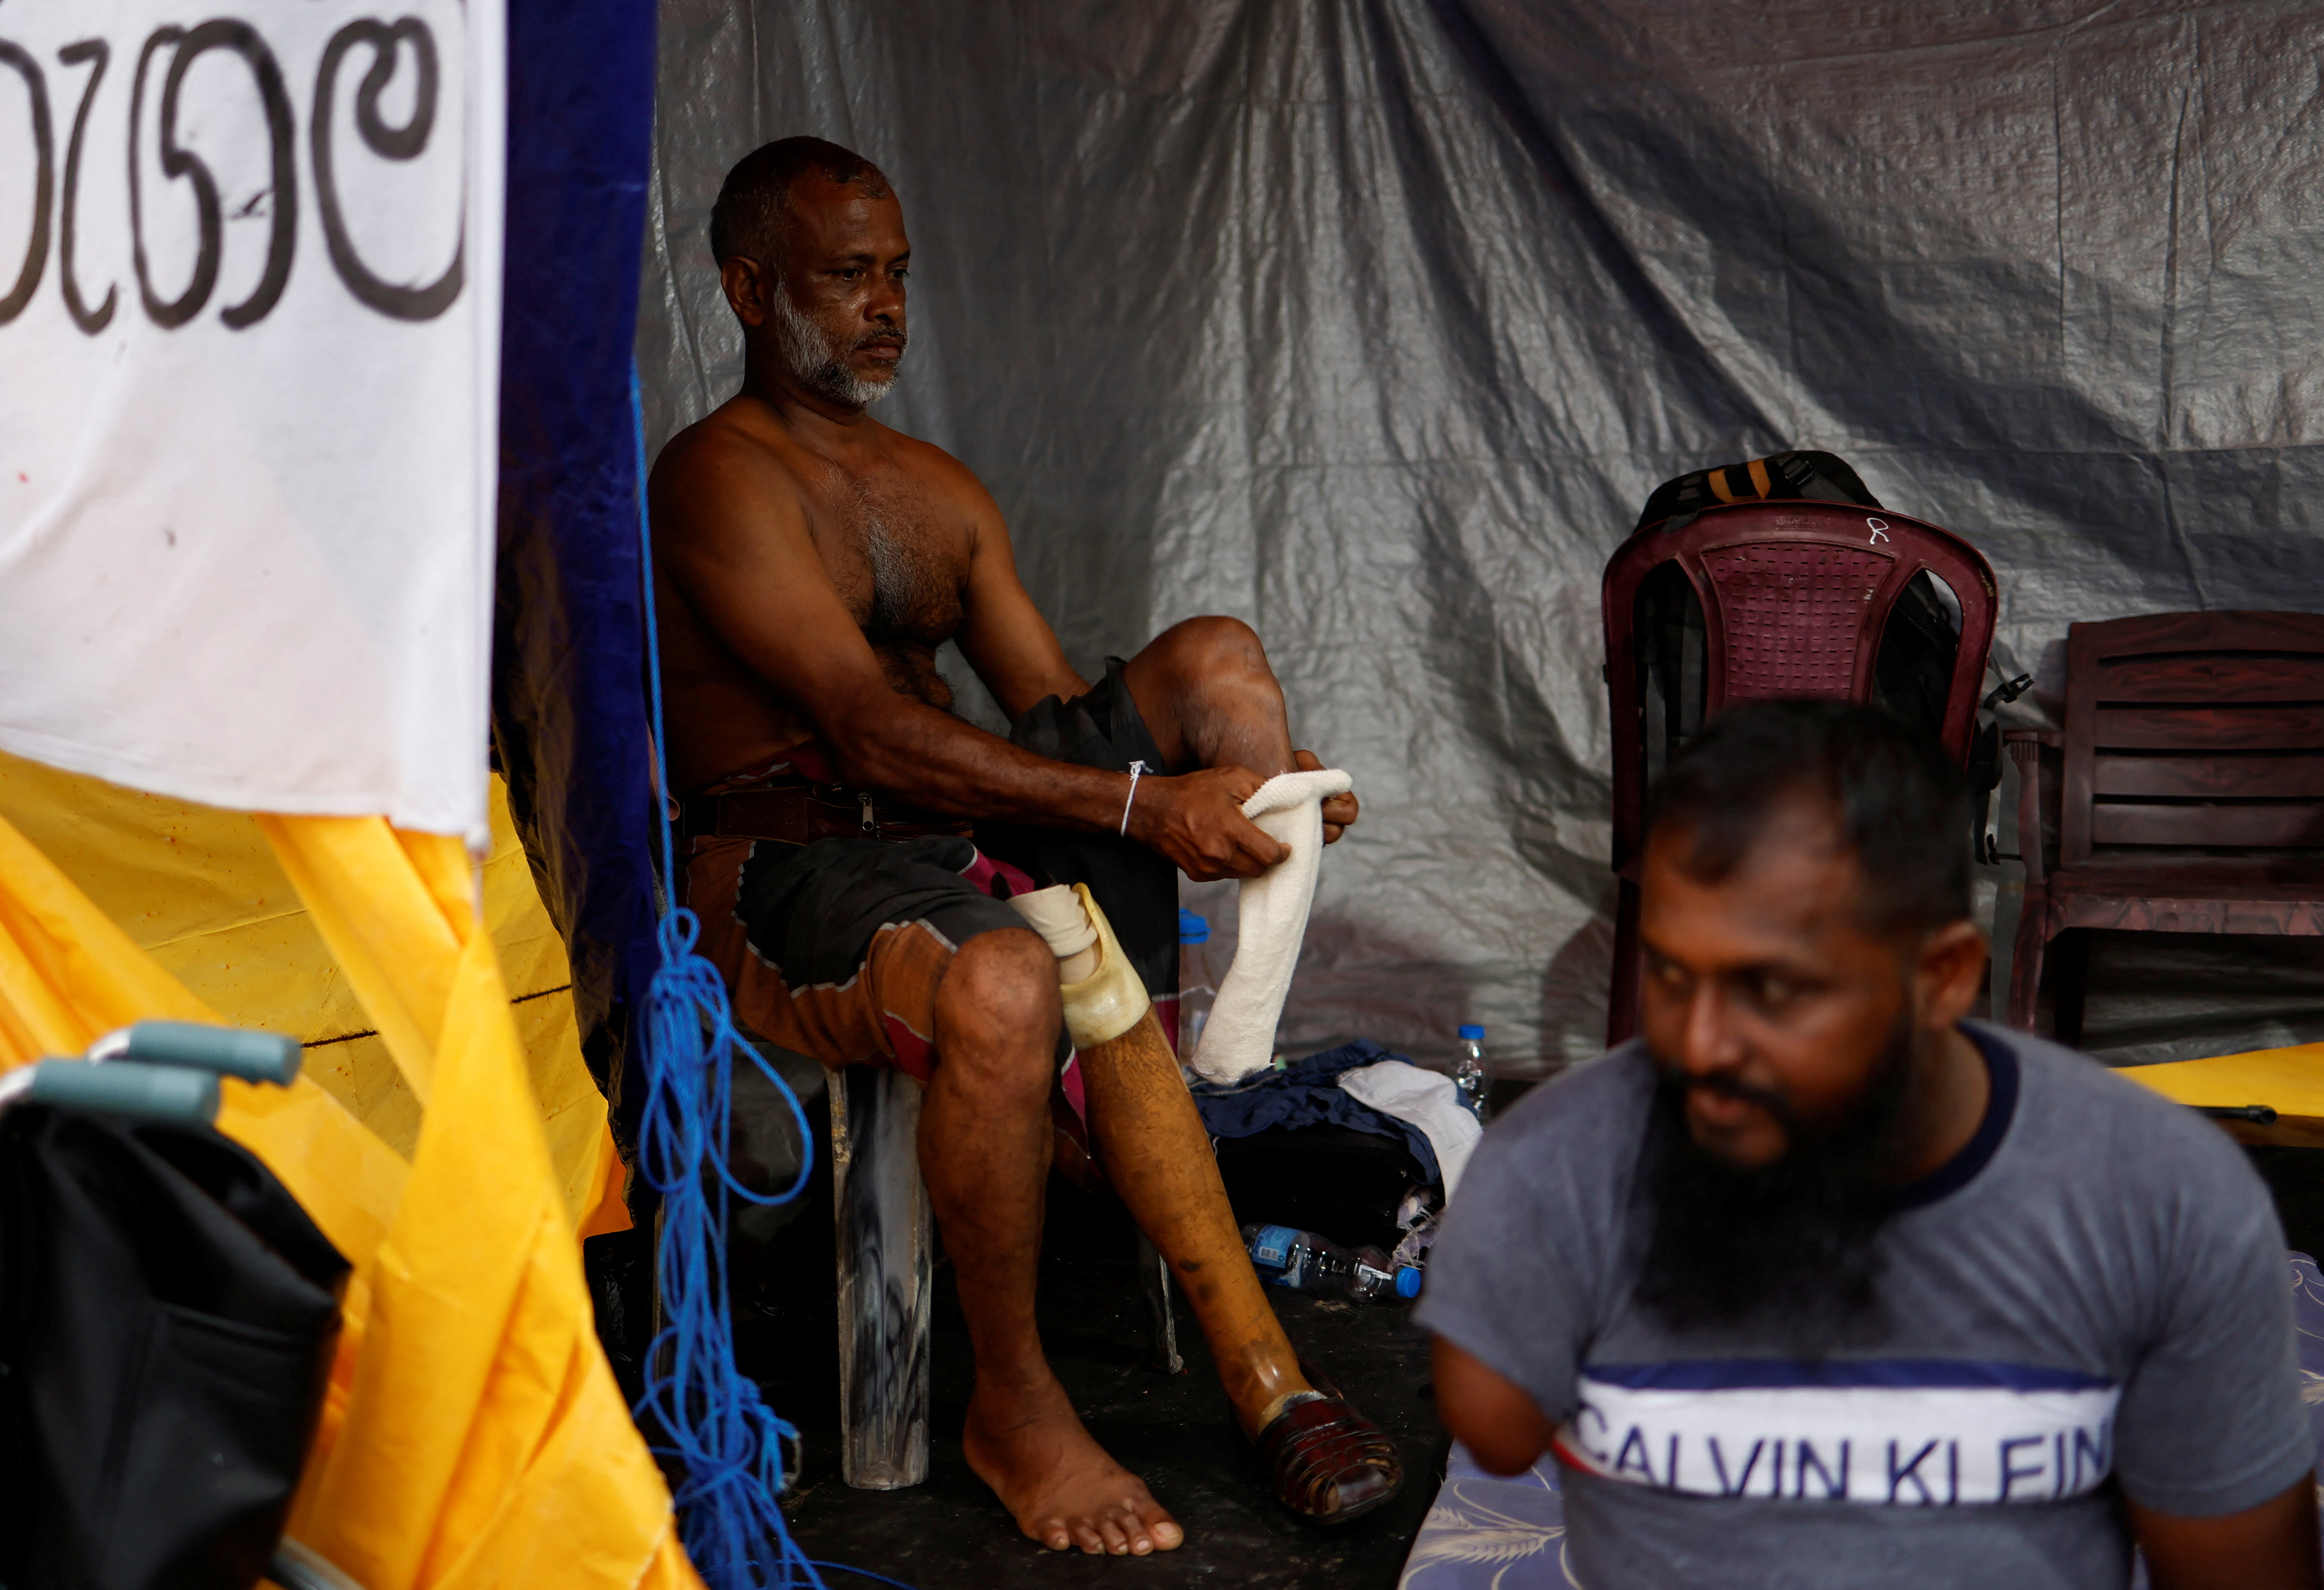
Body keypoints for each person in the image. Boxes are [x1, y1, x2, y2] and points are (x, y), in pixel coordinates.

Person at [648, 136, 1400, 1556]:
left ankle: (1251, 1253)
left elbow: (1051, 717)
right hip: (793, 863)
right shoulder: (715, 479)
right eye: (846, 275)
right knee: (1009, 976)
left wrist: (1241, 782)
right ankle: (1019, 1402)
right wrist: (1140, 809)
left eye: (899, 276)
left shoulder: (936, 486)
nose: (885, 304)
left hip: (950, 837)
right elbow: (866, 734)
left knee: (1215, 661)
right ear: (751, 289)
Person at [1421, 699, 2321, 1590]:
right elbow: (1493, 1428)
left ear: (1940, 977)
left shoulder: (2160, 1196)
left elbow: (2232, 1565)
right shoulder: (1551, 1164)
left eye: (1771, 989)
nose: (1698, 1046)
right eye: (1669, 971)